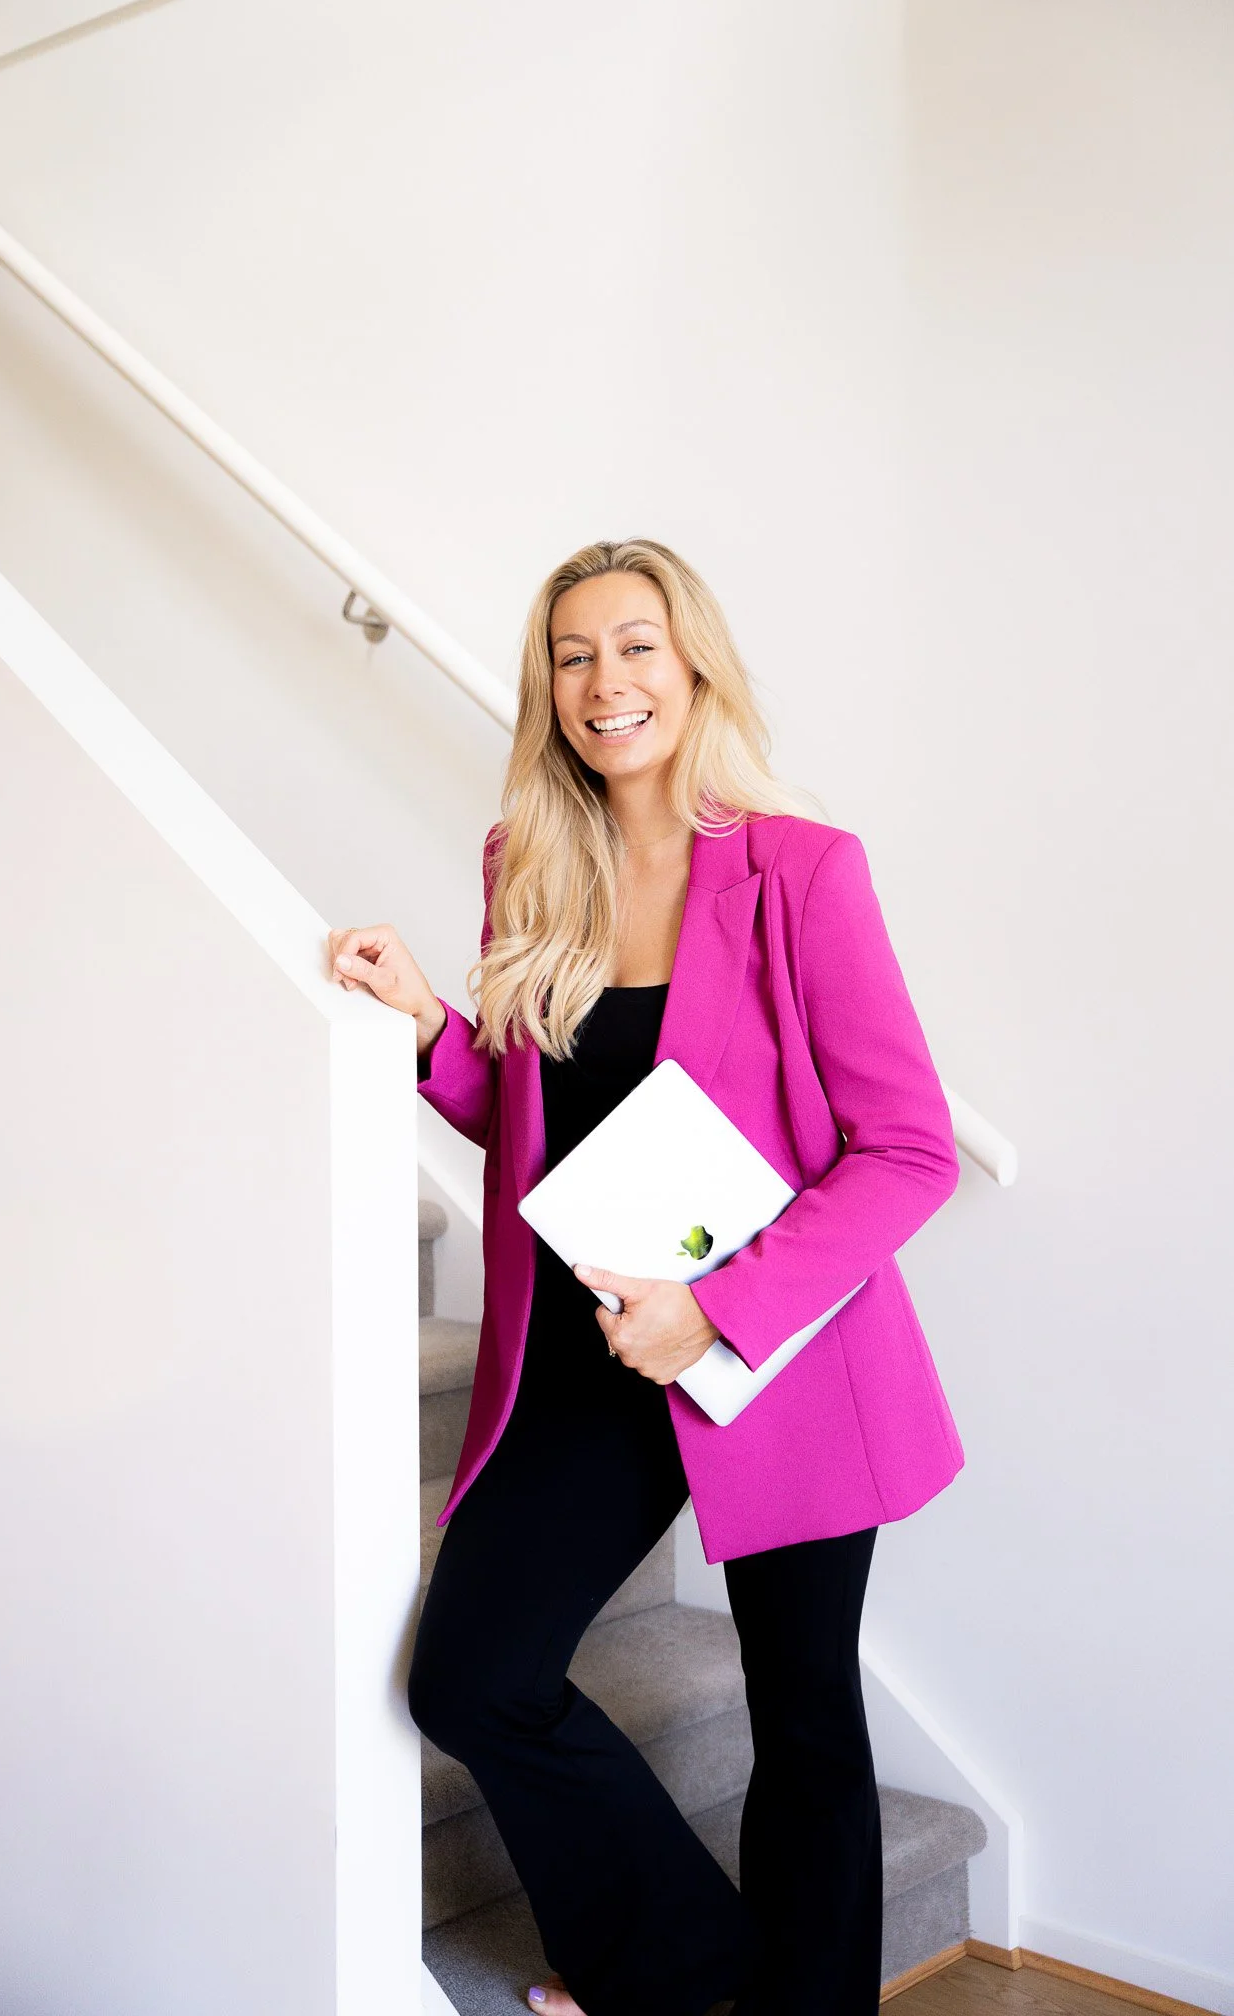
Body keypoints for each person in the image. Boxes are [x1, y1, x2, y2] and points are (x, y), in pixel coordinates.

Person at [327, 538, 965, 2016]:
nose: (605, 683)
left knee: (804, 1716)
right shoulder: (526, 861)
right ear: (545, 689)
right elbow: (537, 1123)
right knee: (475, 1675)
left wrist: (717, 1310)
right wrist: (433, 1029)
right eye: (572, 656)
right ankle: (687, 1975)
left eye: (635, 647)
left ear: (693, 666)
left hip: (781, 1358)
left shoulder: (805, 870)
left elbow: (909, 1151)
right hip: (587, 1354)